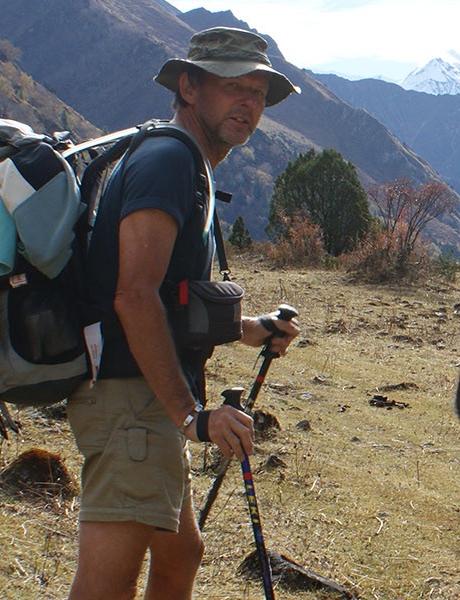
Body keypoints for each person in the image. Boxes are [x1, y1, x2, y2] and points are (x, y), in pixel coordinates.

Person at [67, 26, 301, 599]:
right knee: (108, 584)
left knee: (182, 554)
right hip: (131, 400)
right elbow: (134, 295)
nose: (249, 103)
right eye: (233, 87)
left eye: (259, 94)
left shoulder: (184, 160)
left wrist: (250, 330)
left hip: (142, 395)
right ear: (190, 87)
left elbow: (172, 297)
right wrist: (191, 416)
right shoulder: (170, 161)